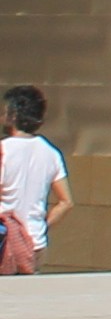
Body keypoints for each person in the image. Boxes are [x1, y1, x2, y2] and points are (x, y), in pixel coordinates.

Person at [0, 87, 62, 274]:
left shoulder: (3, 149)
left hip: (4, 241)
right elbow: (66, 202)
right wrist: (42, 224)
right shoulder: (51, 152)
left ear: (13, 115)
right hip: (35, 242)